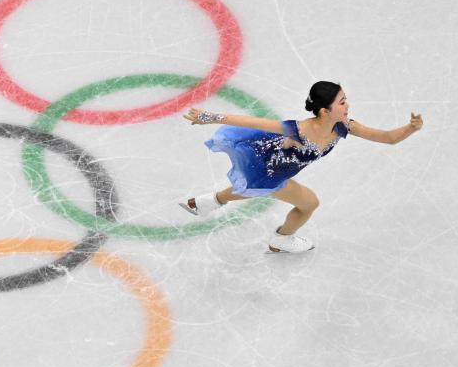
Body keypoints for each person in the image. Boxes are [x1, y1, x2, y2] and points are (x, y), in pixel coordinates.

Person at [180, 81, 423, 253]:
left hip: (276, 173)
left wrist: (411, 128)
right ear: (325, 110)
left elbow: (387, 138)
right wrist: (209, 117)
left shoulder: (344, 127)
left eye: (346, 99)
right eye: (342, 102)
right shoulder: (298, 129)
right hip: (268, 170)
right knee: (308, 203)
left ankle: (203, 203)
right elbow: (251, 121)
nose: (347, 105)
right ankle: (282, 239)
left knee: (252, 189)